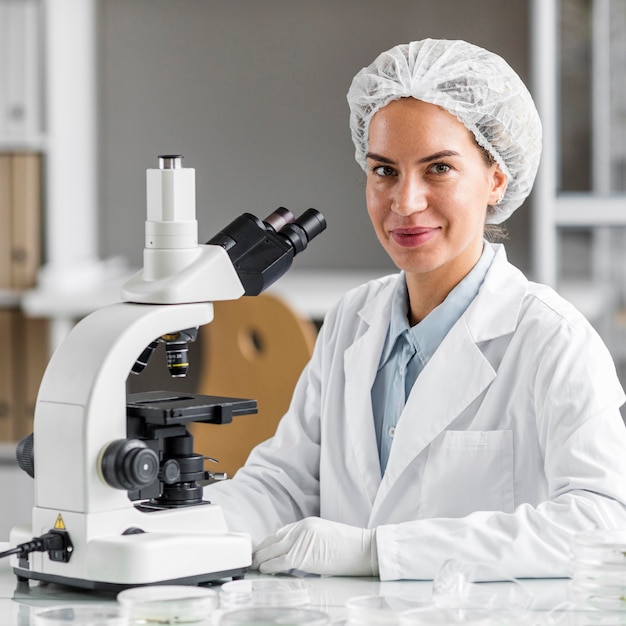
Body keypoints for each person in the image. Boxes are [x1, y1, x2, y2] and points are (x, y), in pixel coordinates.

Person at [203, 38, 626, 581]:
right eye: (384, 171)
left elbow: (603, 521)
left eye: (439, 169)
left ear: (496, 178)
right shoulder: (352, 320)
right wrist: (177, 535)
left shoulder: (550, 337)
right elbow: (283, 484)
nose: (405, 202)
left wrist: (382, 552)